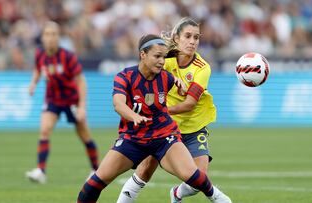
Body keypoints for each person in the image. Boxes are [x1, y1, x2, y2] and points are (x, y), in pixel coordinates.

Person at [77, 34, 222, 203]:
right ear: (142, 55)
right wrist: (134, 116)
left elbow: (175, 80)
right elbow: (118, 104)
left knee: (195, 176)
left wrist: (179, 84)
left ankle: (218, 198)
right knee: (95, 182)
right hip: (133, 138)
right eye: (157, 56)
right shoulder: (125, 77)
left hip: (163, 137)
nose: (162, 61)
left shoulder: (166, 77)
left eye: (163, 56)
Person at [117, 17, 232, 203]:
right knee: (146, 168)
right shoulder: (164, 56)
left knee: (199, 179)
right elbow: (144, 70)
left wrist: (159, 111)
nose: (193, 41)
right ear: (176, 38)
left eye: (196, 37)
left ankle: (177, 193)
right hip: (166, 127)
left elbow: (189, 104)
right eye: (188, 36)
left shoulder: (202, 68)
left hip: (194, 125)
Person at [25, 21, 99, 184]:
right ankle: (40, 171)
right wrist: (33, 84)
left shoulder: (68, 57)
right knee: (45, 130)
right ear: (43, 37)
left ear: (58, 37)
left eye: (54, 34)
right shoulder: (40, 54)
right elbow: (38, 69)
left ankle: (96, 169)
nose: (50, 38)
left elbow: (81, 82)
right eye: (47, 34)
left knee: (85, 136)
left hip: (71, 100)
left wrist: (81, 107)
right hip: (52, 99)